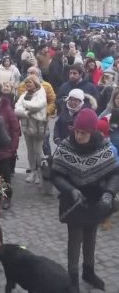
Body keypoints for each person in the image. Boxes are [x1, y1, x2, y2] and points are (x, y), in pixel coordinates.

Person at [51, 109, 119, 292]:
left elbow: (114, 174)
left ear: (93, 132)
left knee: (91, 237)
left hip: (96, 200)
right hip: (73, 202)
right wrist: (71, 189)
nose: (79, 136)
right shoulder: (65, 146)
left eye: (84, 133)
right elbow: (55, 174)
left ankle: (88, 271)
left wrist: (109, 194)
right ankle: (72, 277)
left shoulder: (103, 147)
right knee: (75, 240)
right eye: (77, 131)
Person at [15, 75, 47, 185]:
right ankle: (32, 171)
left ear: (35, 83)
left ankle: (40, 172)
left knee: (38, 151)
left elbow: (37, 106)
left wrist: (25, 105)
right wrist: (26, 112)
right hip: (26, 125)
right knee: (30, 150)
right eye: (27, 82)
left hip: (38, 125)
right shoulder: (24, 94)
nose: (28, 84)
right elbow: (17, 109)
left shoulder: (41, 93)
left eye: (30, 82)